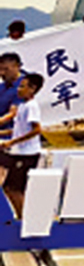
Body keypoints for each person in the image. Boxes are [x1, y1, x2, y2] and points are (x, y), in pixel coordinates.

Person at [0, 73, 44, 215]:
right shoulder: (22, 106)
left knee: (14, 189)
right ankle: (21, 216)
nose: (19, 90)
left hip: (27, 154)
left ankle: (24, 218)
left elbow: (36, 130)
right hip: (18, 151)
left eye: (22, 87)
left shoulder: (32, 106)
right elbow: (20, 129)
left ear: (32, 89)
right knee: (9, 187)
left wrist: (12, 142)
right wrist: (5, 135)